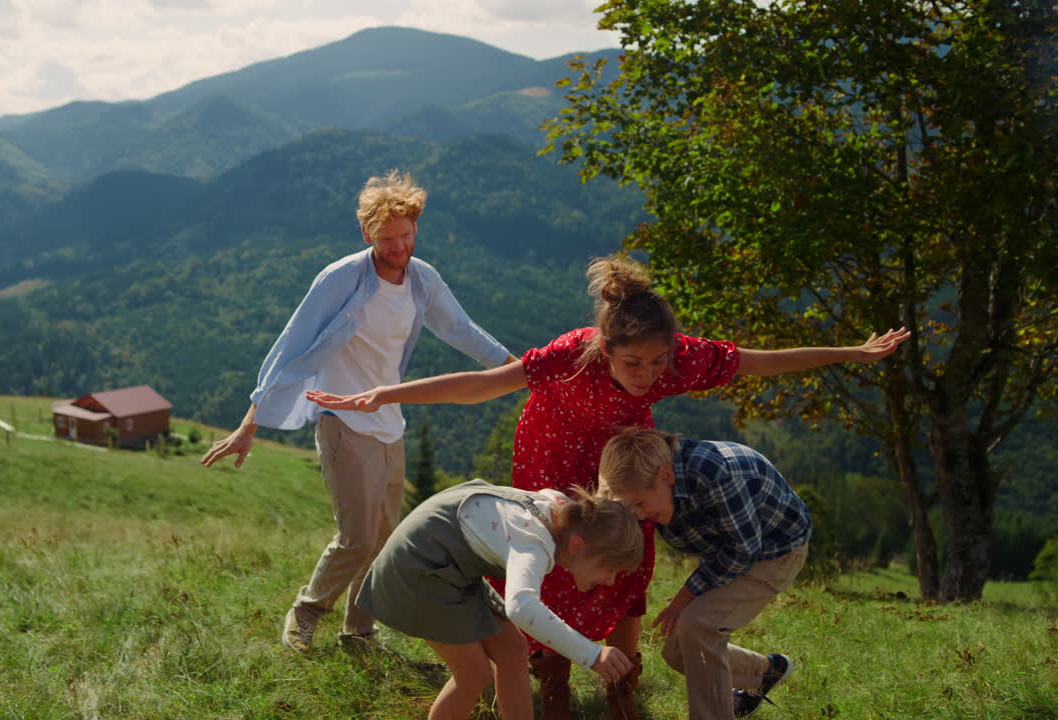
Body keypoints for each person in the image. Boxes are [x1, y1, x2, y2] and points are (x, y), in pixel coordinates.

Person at [307, 254, 908, 717]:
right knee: (547, 563)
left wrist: (849, 353)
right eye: (633, 365)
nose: (648, 376)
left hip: (619, 464)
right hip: (549, 458)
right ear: (604, 348)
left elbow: (755, 359)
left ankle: (623, 683)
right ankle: (552, 681)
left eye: (657, 363)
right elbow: (483, 383)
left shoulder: (675, 358)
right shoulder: (572, 354)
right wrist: (385, 393)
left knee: (628, 562)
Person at [200, 169, 517, 653]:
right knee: (358, 537)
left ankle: (360, 631)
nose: (399, 247)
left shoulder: (421, 278)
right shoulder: (342, 278)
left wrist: (518, 369)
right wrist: (251, 421)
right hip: (342, 421)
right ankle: (307, 611)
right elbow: (291, 347)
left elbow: (462, 330)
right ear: (366, 233)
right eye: (388, 238)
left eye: (407, 236)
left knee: (387, 539)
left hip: (389, 423)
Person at [360, 478, 642, 720]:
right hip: (421, 569)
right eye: (610, 568)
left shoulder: (561, 511)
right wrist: (590, 654)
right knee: (473, 674)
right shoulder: (533, 545)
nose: (610, 580)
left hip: (451, 564)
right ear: (578, 545)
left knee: (513, 650)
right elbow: (521, 607)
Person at [600, 427, 810, 720]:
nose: (638, 514)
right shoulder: (652, 485)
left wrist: (684, 598)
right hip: (728, 552)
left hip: (774, 552)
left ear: (665, 475)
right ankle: (763, 672)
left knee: (698, 625)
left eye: (639, 503)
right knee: (676, 650)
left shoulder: (716, 474)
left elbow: (744, 551)